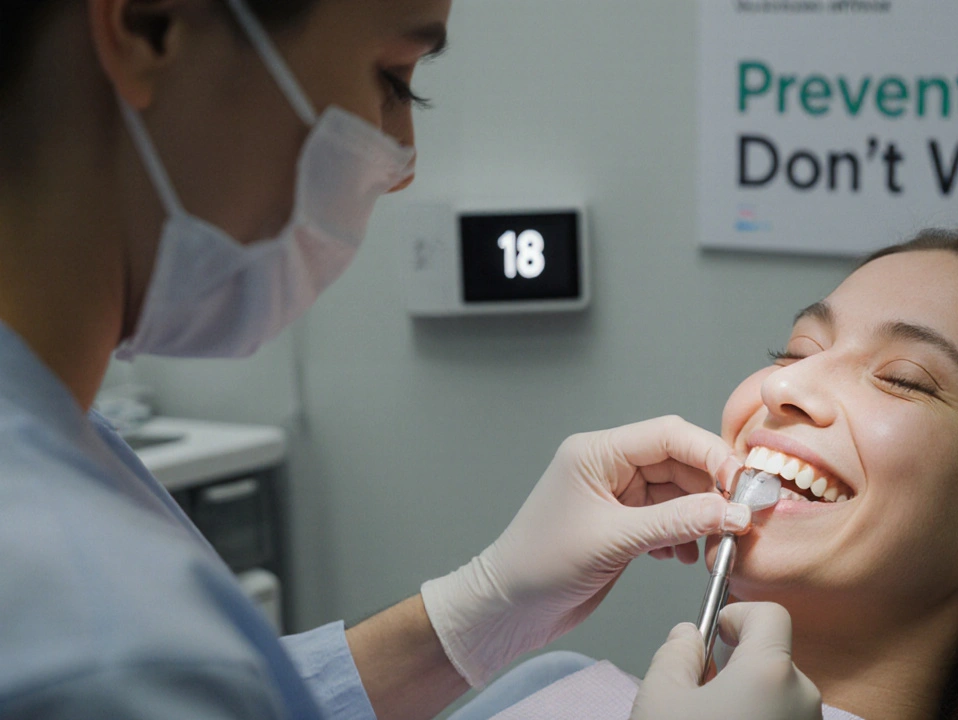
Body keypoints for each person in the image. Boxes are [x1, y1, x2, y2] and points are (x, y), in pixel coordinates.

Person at [0, 1, 824, 719]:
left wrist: (480, 609)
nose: (404, 158)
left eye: (903, 377)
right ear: (151, 24)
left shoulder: (67, 455)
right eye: (395, 79)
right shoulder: (90, 636)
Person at [453, 229, 958, 720]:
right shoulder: (552, 685)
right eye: (796, 350)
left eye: (905, 379)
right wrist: (469, 612)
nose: (782, 389)